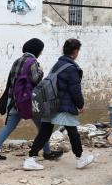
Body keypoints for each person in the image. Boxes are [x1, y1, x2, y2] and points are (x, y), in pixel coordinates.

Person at [24, 38, 94, 171]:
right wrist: (80, 105)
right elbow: (75, 89)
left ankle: (30, 158)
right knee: (73, 131)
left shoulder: (58, 64)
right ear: (75, 51)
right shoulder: (72, 68)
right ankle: (80, 158)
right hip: (63, 105)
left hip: (51, 103)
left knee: (45, 131)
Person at [0, 38, 62, 161]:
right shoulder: (33, 62)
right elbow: (35, 80)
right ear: (37, 50)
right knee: (44, 126)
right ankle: (47, 152)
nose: (41, 52)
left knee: (8, 126)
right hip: (29, 102)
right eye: (41, 50)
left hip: (14, 100)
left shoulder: (17, 61)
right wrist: (41, 72)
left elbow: (11, 81)